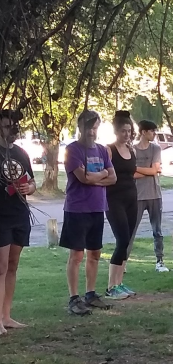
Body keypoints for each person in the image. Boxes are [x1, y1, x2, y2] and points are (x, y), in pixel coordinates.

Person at [60, 110, 117, 316]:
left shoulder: (102, 150)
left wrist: (97, 176)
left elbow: (113, 178)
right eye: (88, 127)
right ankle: (74, 298)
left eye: (95, 127)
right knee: (76, 255)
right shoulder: (72, 150)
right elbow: (83, 178)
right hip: (77, 208)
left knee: (95, 253)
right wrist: (101, 174)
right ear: (80, 127)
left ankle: (90, 294)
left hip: (97, 208)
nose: (91, 131)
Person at [0, 109, 36, 331]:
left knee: (13, 265)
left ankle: (6, 316)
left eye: (15, 127)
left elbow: (32, 182)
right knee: (1, 266)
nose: (12, 131)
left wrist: (28, 187)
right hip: (1, 216)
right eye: (7, 127)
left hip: (20, 214)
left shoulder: (22, 153)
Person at [104, 111, 139, 300]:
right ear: (116, 131)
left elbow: (132, 174)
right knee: (122, 239)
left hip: (131, 199)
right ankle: (111, 287)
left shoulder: (131, 150)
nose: (127, 134)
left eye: (129, 131)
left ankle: (119, 283)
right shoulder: (109, 150)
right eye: (123, 131)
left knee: (127, 241)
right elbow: (103, 172)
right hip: (113, 199)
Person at [133, 120, 167, 273]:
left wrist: (137, 169)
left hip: (154, 194)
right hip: (137, 196)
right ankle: (123, 262)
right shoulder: (132, 150)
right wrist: (148, 170)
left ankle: (159, 261)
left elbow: (155, 171)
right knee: (131, 230)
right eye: (152, 131)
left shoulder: (156, 149)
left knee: (157, 230)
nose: (154, 134)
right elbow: (130, 173)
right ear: (143, 132)